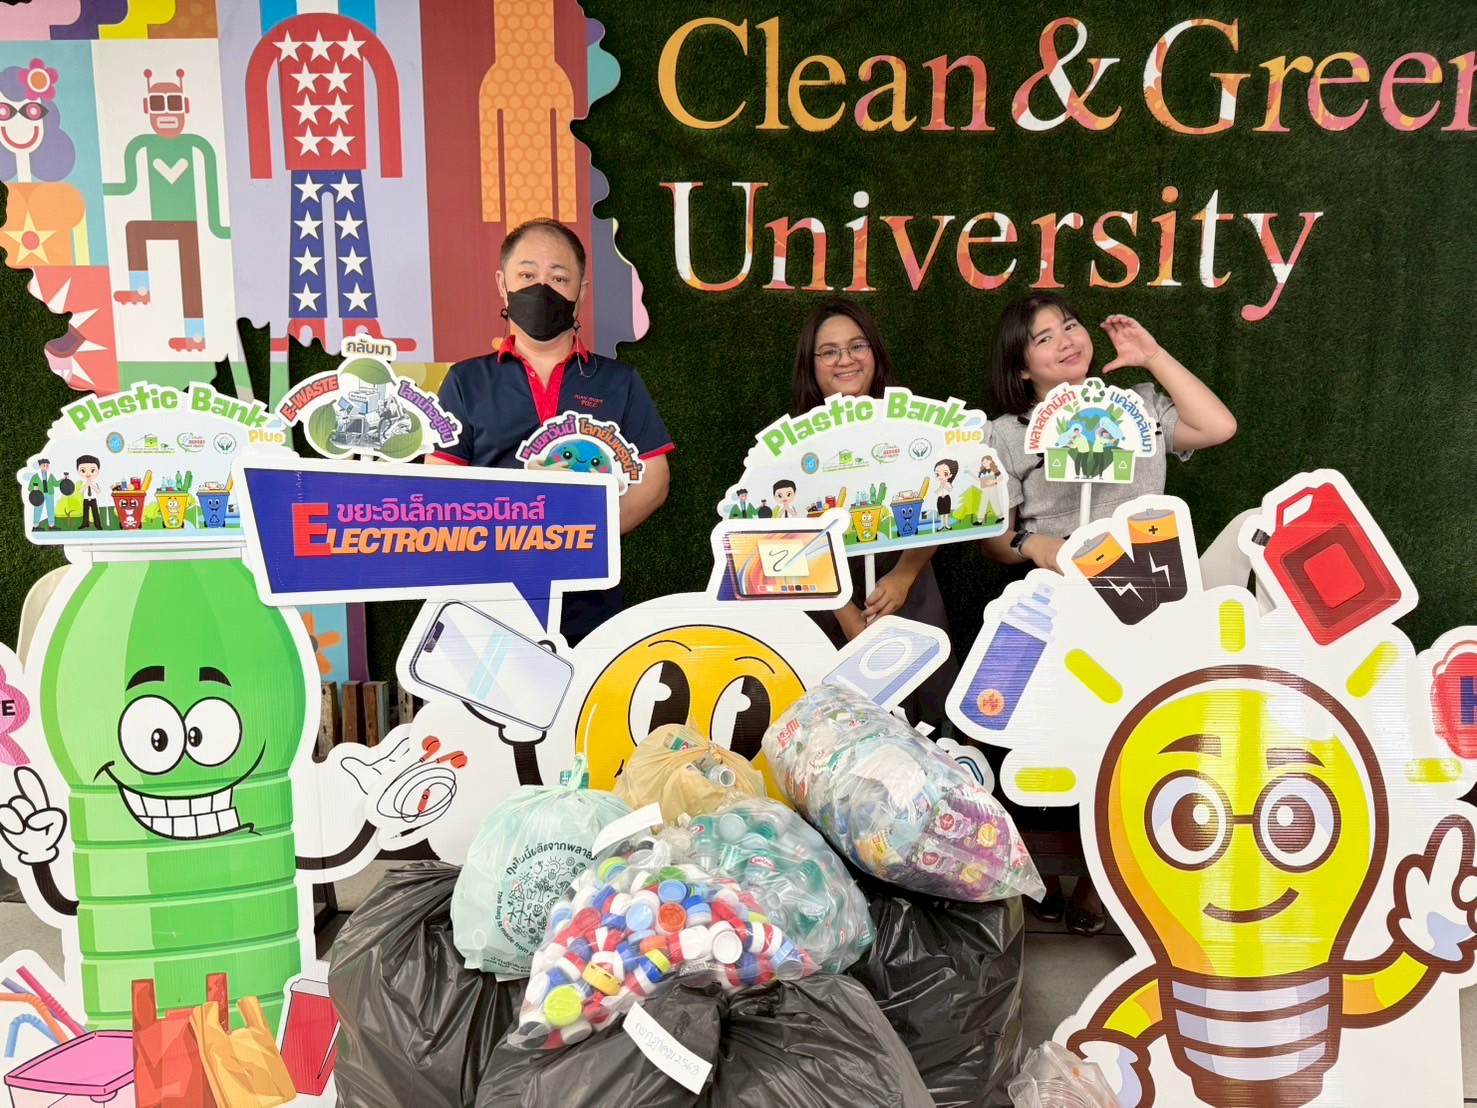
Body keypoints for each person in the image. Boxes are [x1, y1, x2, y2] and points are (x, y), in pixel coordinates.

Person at [981, 291, 1237, 936]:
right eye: (1043, 338)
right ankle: (1028, 874)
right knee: (1038, 738)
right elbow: (991, 535)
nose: (1065, 340)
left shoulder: (1141, 408)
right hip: (1057, 602)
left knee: (1137, 741)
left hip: (1146, 600)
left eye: (1069, 326)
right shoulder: (1007, 435)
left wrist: (1151, 357)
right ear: (1021, 369)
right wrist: (1034, 545)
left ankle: (1103, 885)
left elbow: (1217, 427)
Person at [430, 218, 673, 643]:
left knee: (585, 703)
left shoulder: (619, 381)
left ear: (581, 291)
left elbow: (655, 477)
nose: (541, 288)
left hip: (590, 598)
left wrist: (579, 540)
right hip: (486, 599)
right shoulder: (464, 381)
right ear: (503, 284)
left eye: (559, 277)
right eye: (527, 275)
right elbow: (438, 484)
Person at [790, 298, 959, 728]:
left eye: (857, 346)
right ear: (812, 365)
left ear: (875, 352)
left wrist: (903, 577)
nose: (845, 360)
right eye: (829, 351)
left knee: (928, 723)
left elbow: (942, 510)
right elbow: (787, 539)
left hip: (909, 589)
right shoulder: (790, 443)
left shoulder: (914, 427)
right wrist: (844, 610)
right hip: (829, 601)